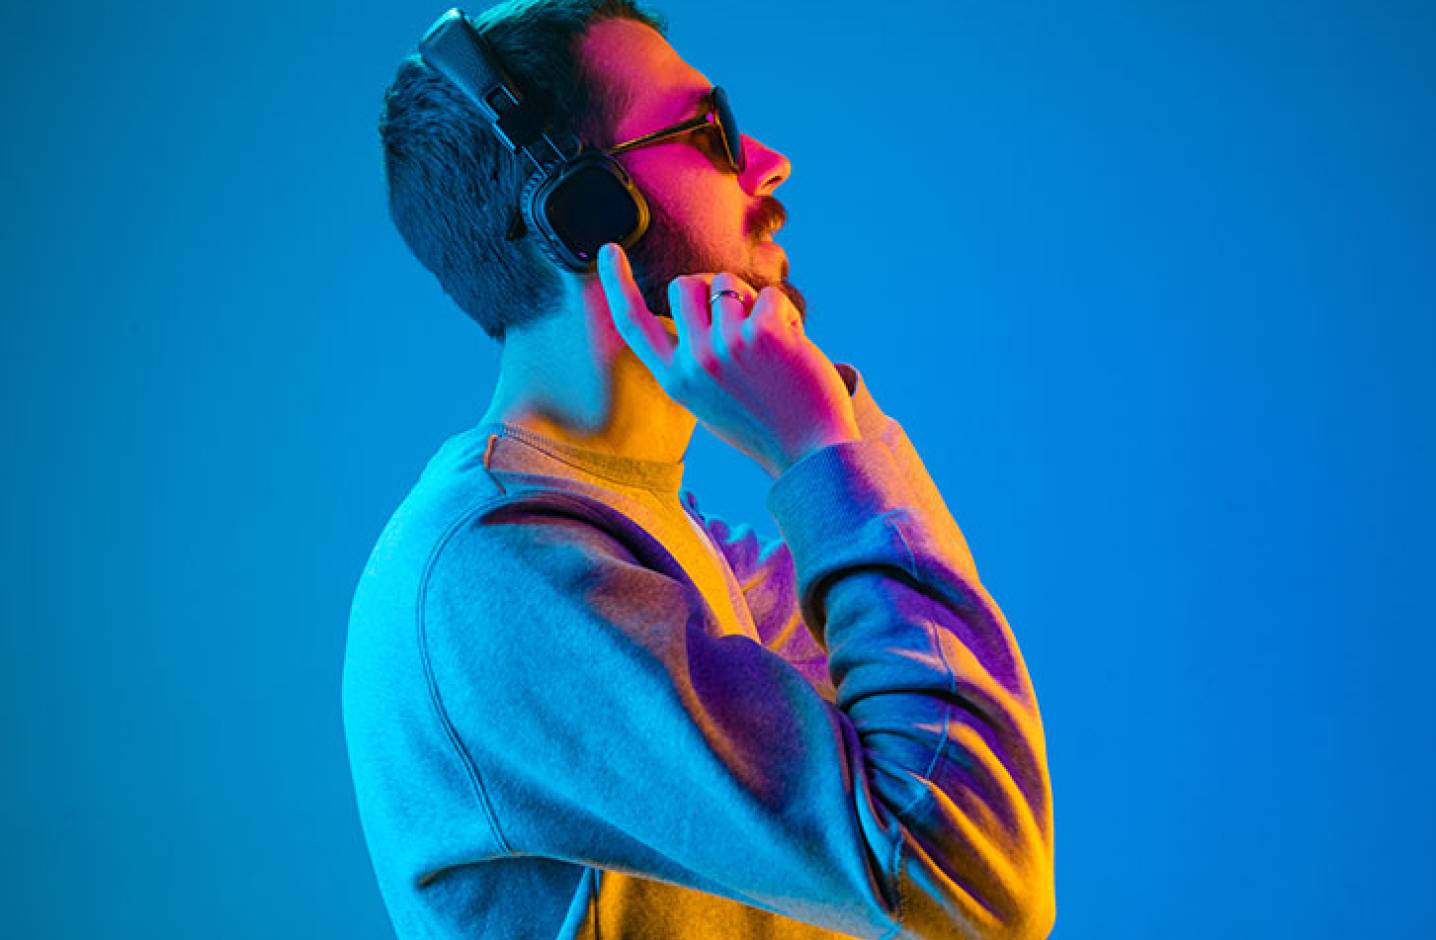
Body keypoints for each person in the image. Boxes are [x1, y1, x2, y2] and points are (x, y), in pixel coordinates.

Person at [341, 2, 1055, 938]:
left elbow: (958, 787)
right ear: (582, 206)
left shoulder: (675, 551)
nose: (768, 161)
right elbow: (963, 873)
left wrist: (832, 425)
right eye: (708, 133)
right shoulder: (492, 575)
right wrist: (815, 453)